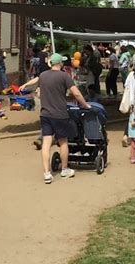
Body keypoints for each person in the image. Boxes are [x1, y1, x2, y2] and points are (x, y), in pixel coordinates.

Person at [20, 53, 91, 184]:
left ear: (50, 63)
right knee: (63, 142)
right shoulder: (65, 76)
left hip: (45, 114)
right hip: (60, 114)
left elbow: (36, 80)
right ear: (61, 64)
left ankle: (47, 173)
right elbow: (75, 93)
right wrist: (85, 105)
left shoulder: (43, 75)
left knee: (46, 143)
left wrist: (25, 85)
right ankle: (64, 169)